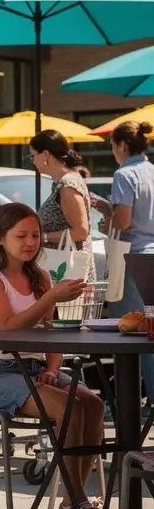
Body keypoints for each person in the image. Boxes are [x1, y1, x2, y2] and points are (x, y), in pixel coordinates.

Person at [0, 202, 115, 509]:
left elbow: (52, 333)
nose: (30, 242)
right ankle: (78, 502)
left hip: (34, 369)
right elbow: (9, 327)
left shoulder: (40, 276)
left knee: (93, 405)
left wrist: (52, 367)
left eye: (35, 234)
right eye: (20, 235)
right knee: (69, 409)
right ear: (0, 238)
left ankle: (69, 504)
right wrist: (50, 299)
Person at [108, 120, 154, 404]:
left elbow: (123, 221)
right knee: (152, 331)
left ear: (123, 146)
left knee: (129, 332)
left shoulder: (123, 174)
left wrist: (108, 218)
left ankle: (129, 402)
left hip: (134, 255)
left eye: (113, 147)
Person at [29, 129, 94, 280]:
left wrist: (43, 237)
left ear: (45, 155)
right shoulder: (63, 182)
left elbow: (80, 232)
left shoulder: (67, 185)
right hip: (65, 270)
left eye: (33, 156)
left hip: (69, 273)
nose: (32, 161)